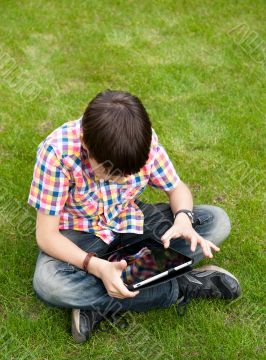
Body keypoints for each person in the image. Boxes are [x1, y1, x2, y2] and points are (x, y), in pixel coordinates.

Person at [27, 89, 241, 344]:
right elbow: (46, 235)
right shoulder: (56, 153)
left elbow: (176, 188)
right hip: (79, 236)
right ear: (85, 143)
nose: (125, 180)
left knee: (216, 222)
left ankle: (96, 297)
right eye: (113, 173)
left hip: (130, 220)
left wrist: (183, 218)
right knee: (49, 284)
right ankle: (180, 285)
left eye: (132, 172)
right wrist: (97, 266)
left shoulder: (143, 142)